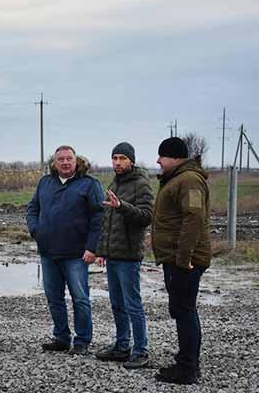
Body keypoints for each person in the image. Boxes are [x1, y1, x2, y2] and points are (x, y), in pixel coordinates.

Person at [27, 145, 104, 355]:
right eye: (60, 159)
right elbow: (33, 208)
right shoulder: (45, 182)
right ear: (54, 162)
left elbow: (99, 218)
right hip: (48, 251)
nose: (65, 162)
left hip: (76, 254)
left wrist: (92, 247)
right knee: (54, 298)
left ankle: (82, 340)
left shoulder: (89, 185)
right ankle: (61, 337)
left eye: (69, 158)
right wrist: (36, 230)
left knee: (80, 298)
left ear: (76, 160)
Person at [151, 137, 211, 385]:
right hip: (176, 259)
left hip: (184, 261)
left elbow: (193, 219)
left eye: (161, 156)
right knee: (182, 309)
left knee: (185, 310)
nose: (158, 160)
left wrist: (184, 258)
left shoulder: (188, 180)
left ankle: (187, 369)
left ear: (175, 157)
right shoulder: (178, 178)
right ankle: (186, 361)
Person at [93, 142, 154, 369]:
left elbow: (146, 216)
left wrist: (122, 207)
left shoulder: (141, 184)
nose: (117, 162)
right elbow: (107, 223)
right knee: (117, 303)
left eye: (122, 158)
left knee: (132, 305)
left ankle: (141, 351)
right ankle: (122, 346)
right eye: (114, 158)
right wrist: (101, 250)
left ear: (131, 161)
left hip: (129, 256)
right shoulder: (114, 184)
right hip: (113, 256)